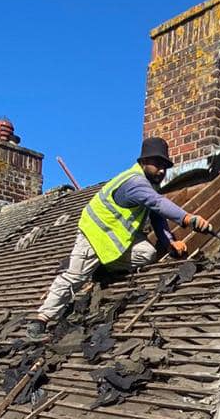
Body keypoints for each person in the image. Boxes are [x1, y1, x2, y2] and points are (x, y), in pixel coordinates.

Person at [32, 137, 210, 329]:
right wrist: (188, 218)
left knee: (147, 254)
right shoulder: (135, 182)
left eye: (164, 166)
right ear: (143, 162)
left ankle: (103, 267)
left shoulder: (151, 185)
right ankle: (42, 318)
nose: (161, 170)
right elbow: (158, 204)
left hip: (115, 238)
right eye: (157, 164)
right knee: (75, 276)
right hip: (95, 233)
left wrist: (168, 242)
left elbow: (157, 214)